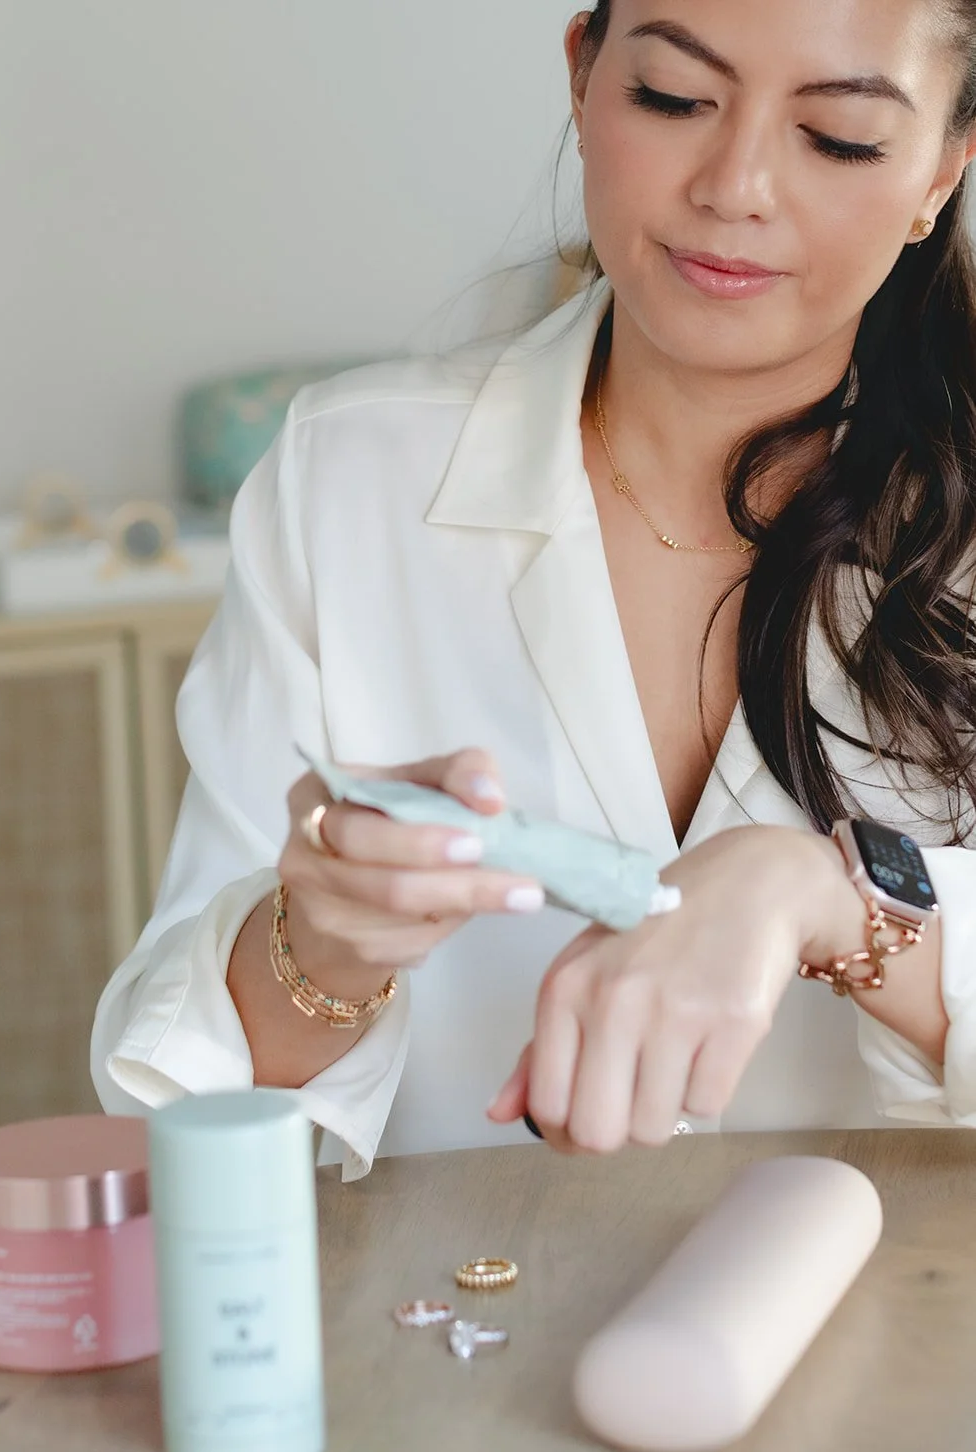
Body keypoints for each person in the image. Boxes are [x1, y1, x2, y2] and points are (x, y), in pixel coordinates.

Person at [92, 0, 976, 1177]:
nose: (734, 186)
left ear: (938, 171)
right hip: (454, 1339)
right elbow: (174, 1108)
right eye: (673, 99)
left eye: (838, 139)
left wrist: (825, 896)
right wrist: (324, 944)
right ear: (581, 77)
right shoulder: (352, 477)